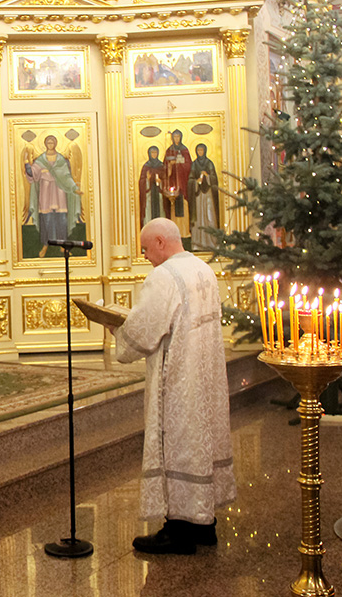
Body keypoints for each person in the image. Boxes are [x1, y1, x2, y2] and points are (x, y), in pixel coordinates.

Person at [112, 218, 236, 554]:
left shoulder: (164, 276)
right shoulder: (203, 269)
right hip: (206, 378)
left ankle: (178, 531)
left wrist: (118, 329)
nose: (145, 256)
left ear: (160, 242)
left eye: (145, 249)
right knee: (200, 445)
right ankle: (204, 525)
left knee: (178, 445)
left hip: (178, 381)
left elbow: (144, 332)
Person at [24, 134, 82, 257]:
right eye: (48, 142)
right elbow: (32, 173)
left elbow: (66, 176)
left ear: (55, 144)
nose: (50, 144)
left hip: (59, 191)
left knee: (62, 219)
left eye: (52, 142)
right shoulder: (41, 160)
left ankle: (63, 245)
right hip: (45, 191)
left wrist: (74, 188)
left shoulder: (61, 160)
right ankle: (46, 245)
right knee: (47, 219)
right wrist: (26, 163)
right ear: (45, 144)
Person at [187, 143, 220, 249]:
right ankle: (198, 243)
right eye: (198, 150)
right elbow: (190, 179)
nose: (200, 152)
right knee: (199, 218)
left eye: (201, 150)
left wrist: (208, 176)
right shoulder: (194, 164)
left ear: (205, 151)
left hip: (208, 194)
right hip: (198, 196)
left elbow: (214, 178)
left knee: (210, 216)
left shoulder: (209, 163)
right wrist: (196, 182)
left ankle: (211, 243)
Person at [163, 129, 192, 238]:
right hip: (173, 182)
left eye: (178, 136)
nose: (176, 139)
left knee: (184, 205)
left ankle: (184, 231)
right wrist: (170, 165)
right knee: (173, 207)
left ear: (181, 137)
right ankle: (174, 232)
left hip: (183, 183)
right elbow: (164, 168)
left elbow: (189, 166)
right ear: (172, 138)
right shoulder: (169, 151)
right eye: (174, 137)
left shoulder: (185, 150)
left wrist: (179, 163)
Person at [139, 145, 166, 226]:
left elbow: (166, 179)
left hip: (159, 193)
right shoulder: (146, 166)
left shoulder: (161, 165)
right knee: (148, 210)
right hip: (149, 193)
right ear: (149, 154)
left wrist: (161, 182)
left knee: (161, 209)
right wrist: (147, 180)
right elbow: (141, 181)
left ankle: (161, 227)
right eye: (152, 153)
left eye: (155, 152)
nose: (154, 154)